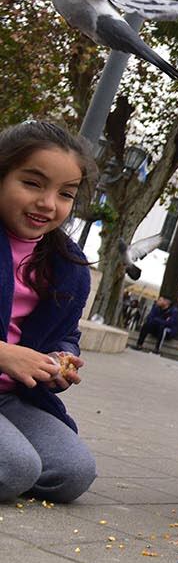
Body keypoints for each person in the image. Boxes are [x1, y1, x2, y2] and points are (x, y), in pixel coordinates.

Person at [0, 121, 98, 503]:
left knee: (73, 472)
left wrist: (59, 357)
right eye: (32, 183)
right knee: (16, 468)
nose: (48, 203)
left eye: (65, 194)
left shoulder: (66, 264)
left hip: (13, 398)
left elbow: (65, 331)